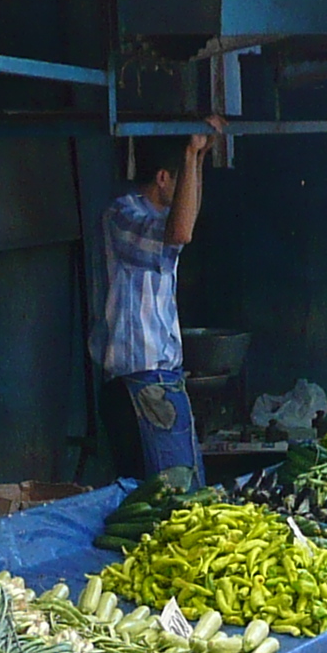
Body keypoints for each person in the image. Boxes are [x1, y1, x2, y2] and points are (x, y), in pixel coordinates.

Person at [94, 121, 220, 483]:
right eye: (183, 180)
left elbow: (187, 221)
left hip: (163, 376)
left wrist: (198, 156)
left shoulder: (160, 217)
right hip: (138, 376)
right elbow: (182, 231)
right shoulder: (123, 214)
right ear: (163, 178)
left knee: (187, 485)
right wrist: (190, 151)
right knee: (168, 492)